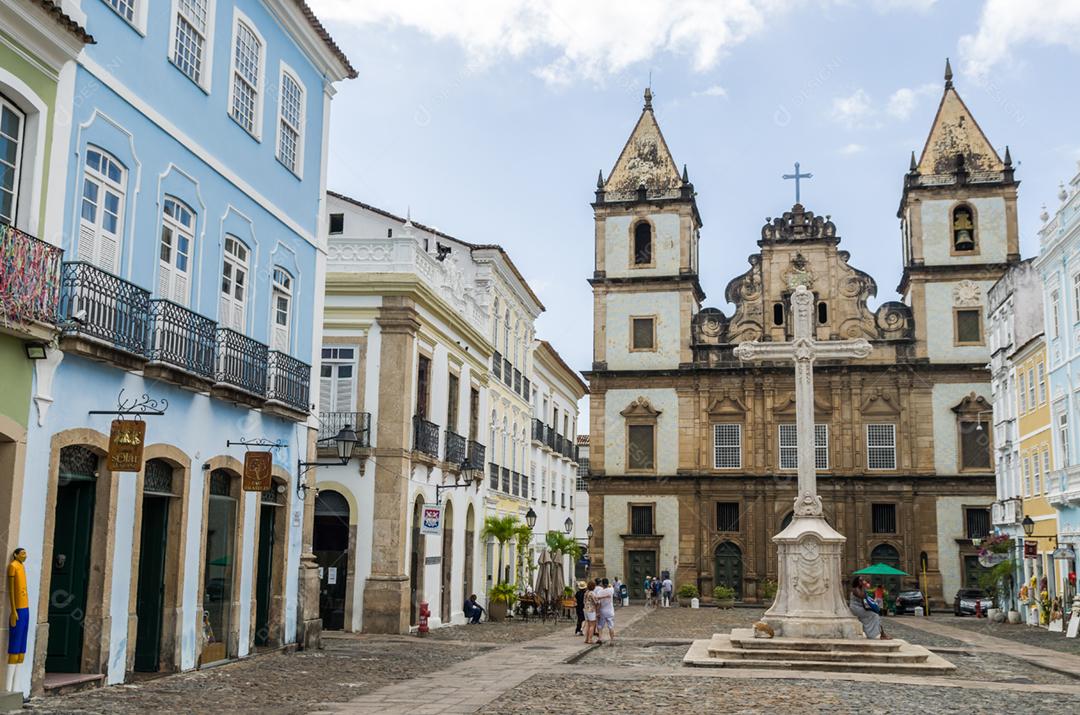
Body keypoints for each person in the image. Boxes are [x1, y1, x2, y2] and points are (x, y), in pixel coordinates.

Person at [849, 576, 890, 640]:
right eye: (860, 580)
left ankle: (881, 634)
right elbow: (862, 596)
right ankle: (881, 635)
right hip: (856, 608)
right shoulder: (855, 589)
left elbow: (865, 598)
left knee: (876, 615)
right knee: (875, 615)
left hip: (861, 607)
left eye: (862, 580)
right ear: (857, 581)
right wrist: (863, 586)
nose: (862, 581)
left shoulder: (861, 588)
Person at [596, 578, 616, 645]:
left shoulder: (599, 592)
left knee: (600, 626)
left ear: (602, 584)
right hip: (610, 611)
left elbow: (599, 604)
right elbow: (611, 586)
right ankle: (612, 640)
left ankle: (600, 638)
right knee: (611, 626)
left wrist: (597, 612)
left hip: (602, 611)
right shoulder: (611, 590)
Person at [583, 580, 600, 644]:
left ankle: (586, 639)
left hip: (586, 609)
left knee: (588, 624)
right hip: (591, 610)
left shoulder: (586, 592)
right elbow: (596, 602)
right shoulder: (592, 593)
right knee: (592, 625)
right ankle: (590, 639)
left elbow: (584, 601)